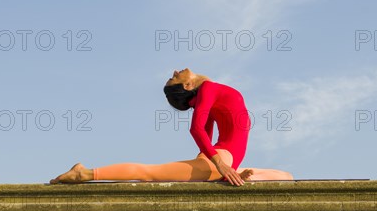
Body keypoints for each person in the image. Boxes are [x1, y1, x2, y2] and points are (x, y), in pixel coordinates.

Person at [50, 68, 294, 186]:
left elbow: (206, 132)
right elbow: (197, 130)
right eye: (174, 77)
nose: (176, 71)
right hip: (223, 159)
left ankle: (233, 177)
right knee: (148, 173)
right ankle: (85, 173)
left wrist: (221, 166)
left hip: (227, 160)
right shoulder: (208, 90)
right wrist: (220, 165)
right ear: (187, 86)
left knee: (287, 177)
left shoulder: (206, 96)